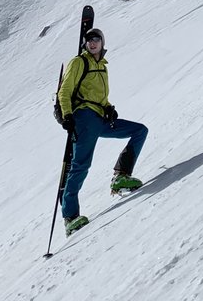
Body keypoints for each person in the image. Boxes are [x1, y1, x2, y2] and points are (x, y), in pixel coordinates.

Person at [58, 27, 148, 236]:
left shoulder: (102, 66)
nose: (93, 43)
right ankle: (70, 217)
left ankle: (121, 177)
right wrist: (68, 115)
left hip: (100, 117)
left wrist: (108, 107)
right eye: (89, 40)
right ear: (85, 43)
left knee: (139, 131)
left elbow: (99, 95)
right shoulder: (79, 62)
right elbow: (65, 90)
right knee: (81, 165)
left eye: (96, 39)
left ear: (102, 43)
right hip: (84, 118)